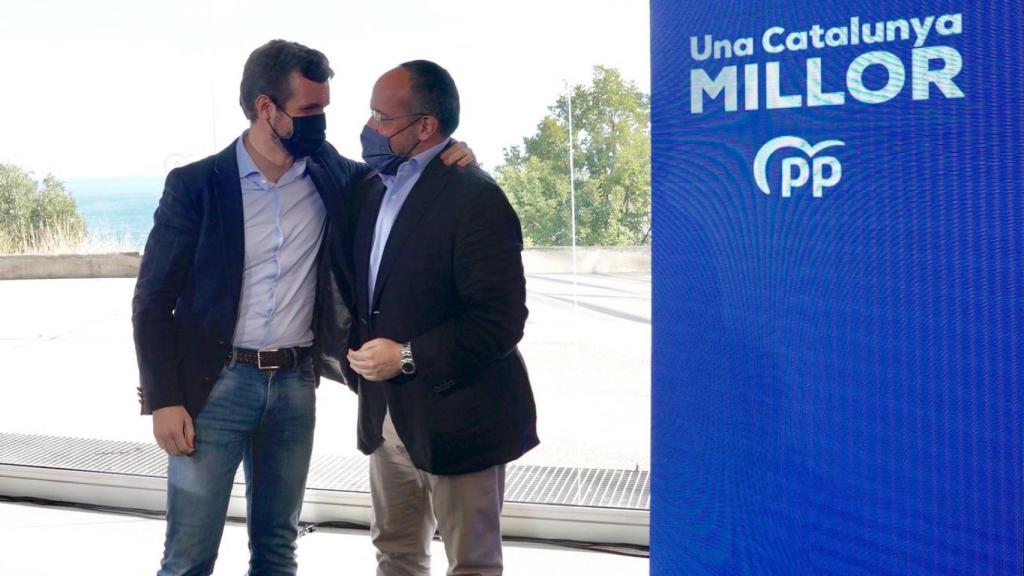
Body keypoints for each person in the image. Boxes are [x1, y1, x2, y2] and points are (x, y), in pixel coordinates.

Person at [132, 40, 473, 576]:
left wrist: (453, 153)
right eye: (310, 110)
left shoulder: (330, 174)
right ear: (267, 108)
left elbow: (403, 178)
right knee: (189, 555)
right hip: (212, 389)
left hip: (293, 388)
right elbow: (152, 300)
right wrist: (163, 399)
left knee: (277, 549)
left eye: (325, 108)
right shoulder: (196, 186)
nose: (322, 122)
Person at [345, 60, 539, 576]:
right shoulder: (371, 188)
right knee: (396, 553)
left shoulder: (474, 196)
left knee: (471, 563)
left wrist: (406, 357)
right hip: (386, 418)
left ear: (425, 126)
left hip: (459, 418)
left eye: (381, 118)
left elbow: (500, 320)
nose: (369, 129)